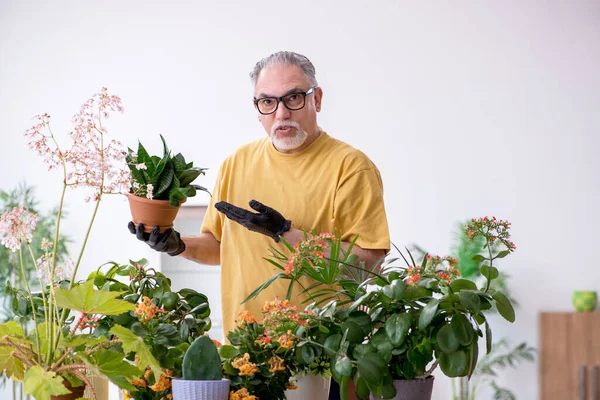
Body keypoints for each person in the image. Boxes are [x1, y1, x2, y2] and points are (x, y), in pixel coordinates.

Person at [129, 51, 390, 399]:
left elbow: (368, 265)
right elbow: (219, 247)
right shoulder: (236, 163)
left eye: (293, 98)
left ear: (318, 99)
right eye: (268, 101)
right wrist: (176, 244)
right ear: (257, 109)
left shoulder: (350, 167)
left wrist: (286, 233)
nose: (281, 113)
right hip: (248, 355)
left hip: (321, 356)